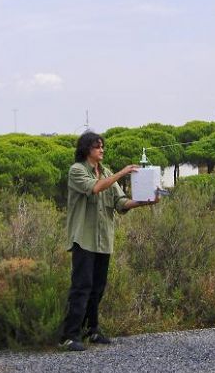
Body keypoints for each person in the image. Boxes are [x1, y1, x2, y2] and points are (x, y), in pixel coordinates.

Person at [59, 131, 159, 351]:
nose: (102, 150)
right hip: (84, 240)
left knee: (98, 287)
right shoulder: (77, 171)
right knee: (81, 287)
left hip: (103, 240)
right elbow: (94, 188)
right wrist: (123, 172)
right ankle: (69, 335)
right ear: (87, 149)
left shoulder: (105, 172)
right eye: (98, 147)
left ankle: (91, 331)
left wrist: (145, 201)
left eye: (103, 146)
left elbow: (121, 203)